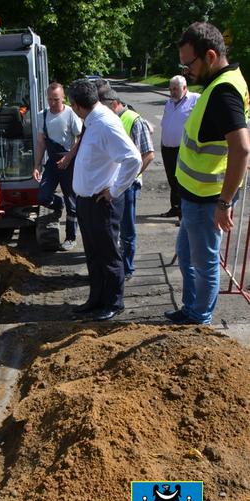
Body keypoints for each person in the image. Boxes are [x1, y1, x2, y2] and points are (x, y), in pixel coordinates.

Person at [165, 22, 249, 325]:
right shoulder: (222, 83)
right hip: (194, 197)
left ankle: (199, 319)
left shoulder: (223, 93)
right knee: (187, 257)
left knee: (204, 263)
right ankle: (190, 309)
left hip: (206, 200)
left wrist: (225, 202)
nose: (186, 71)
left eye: (189, 63)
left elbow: (241, 149)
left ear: (210, 56)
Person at [68, 79, 142, 321]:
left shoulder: (105, 123)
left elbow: (133, 159)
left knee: (108, 254)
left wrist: (115, 190)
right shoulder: (92, 121)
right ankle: (97, 298)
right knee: (93, 253)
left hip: (102, 202)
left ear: (77, 106)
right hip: (87, 201)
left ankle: (113, 302)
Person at [98, 88, 154, 280]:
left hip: (128, 185)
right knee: (115, 227)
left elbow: (148, 154)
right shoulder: (109, 119)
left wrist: (130, 177)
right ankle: (117, 264)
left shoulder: (134, 120)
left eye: (104, 107)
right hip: (112, 185)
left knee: (127, 229)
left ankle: (127, 268)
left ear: (114, 104)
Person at [33, 82, 82, 251]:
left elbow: (80, 138)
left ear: (63, 98)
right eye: (49, 99)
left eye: (56, 99)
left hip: (68, 162)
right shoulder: (43, 115)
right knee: (43, 197)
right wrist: (37, 165)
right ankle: (57, 203)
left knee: (72, 203)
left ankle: (70, 237)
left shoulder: (70, 114)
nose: (52, 103)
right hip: (52, 164)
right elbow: (40, 142)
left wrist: (68, 157)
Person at [160, 75, 199, 220]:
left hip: (182, 148)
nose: (172, 92)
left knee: (181, 180)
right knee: (171, 179)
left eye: (175, 89)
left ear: (185, 87)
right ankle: (175, 208)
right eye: (170, 89)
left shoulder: (195, 99)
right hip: (166, 147)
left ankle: (183, 213)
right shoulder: (169, 102)